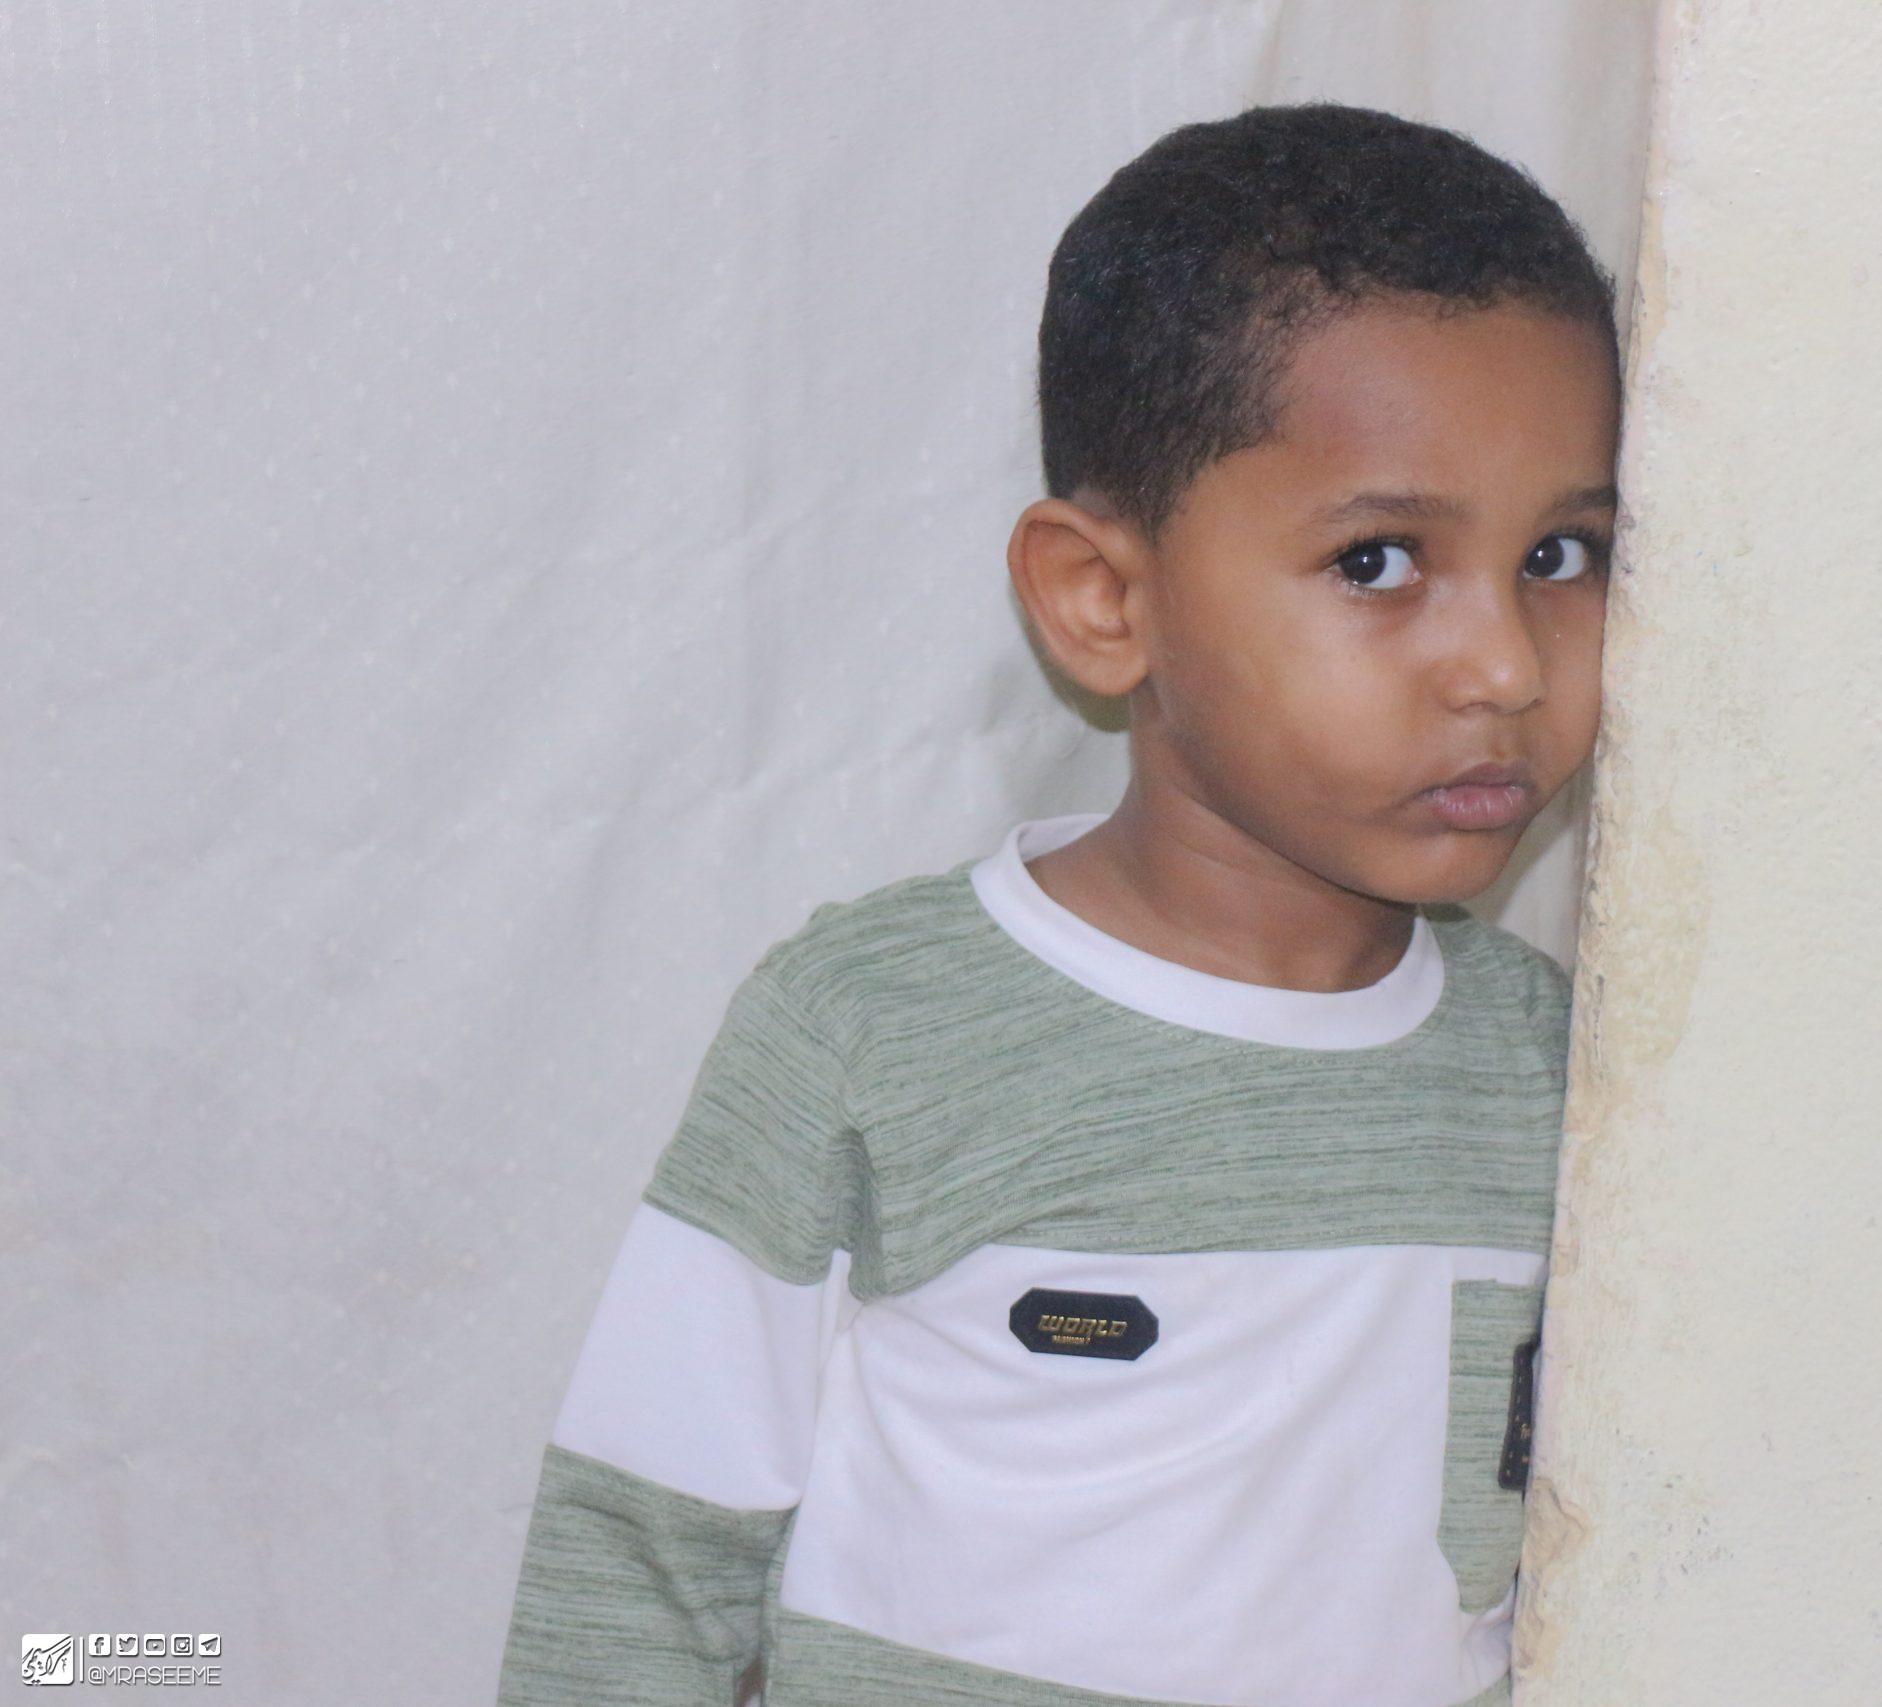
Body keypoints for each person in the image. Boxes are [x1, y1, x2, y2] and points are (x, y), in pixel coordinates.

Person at [494, 99, 1621, 1707]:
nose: (1504, 666)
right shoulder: (874, 1029)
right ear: (1103, 600)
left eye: (1563, 557)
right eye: (1378, 564)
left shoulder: (1562, 1075)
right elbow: (640, 1563)